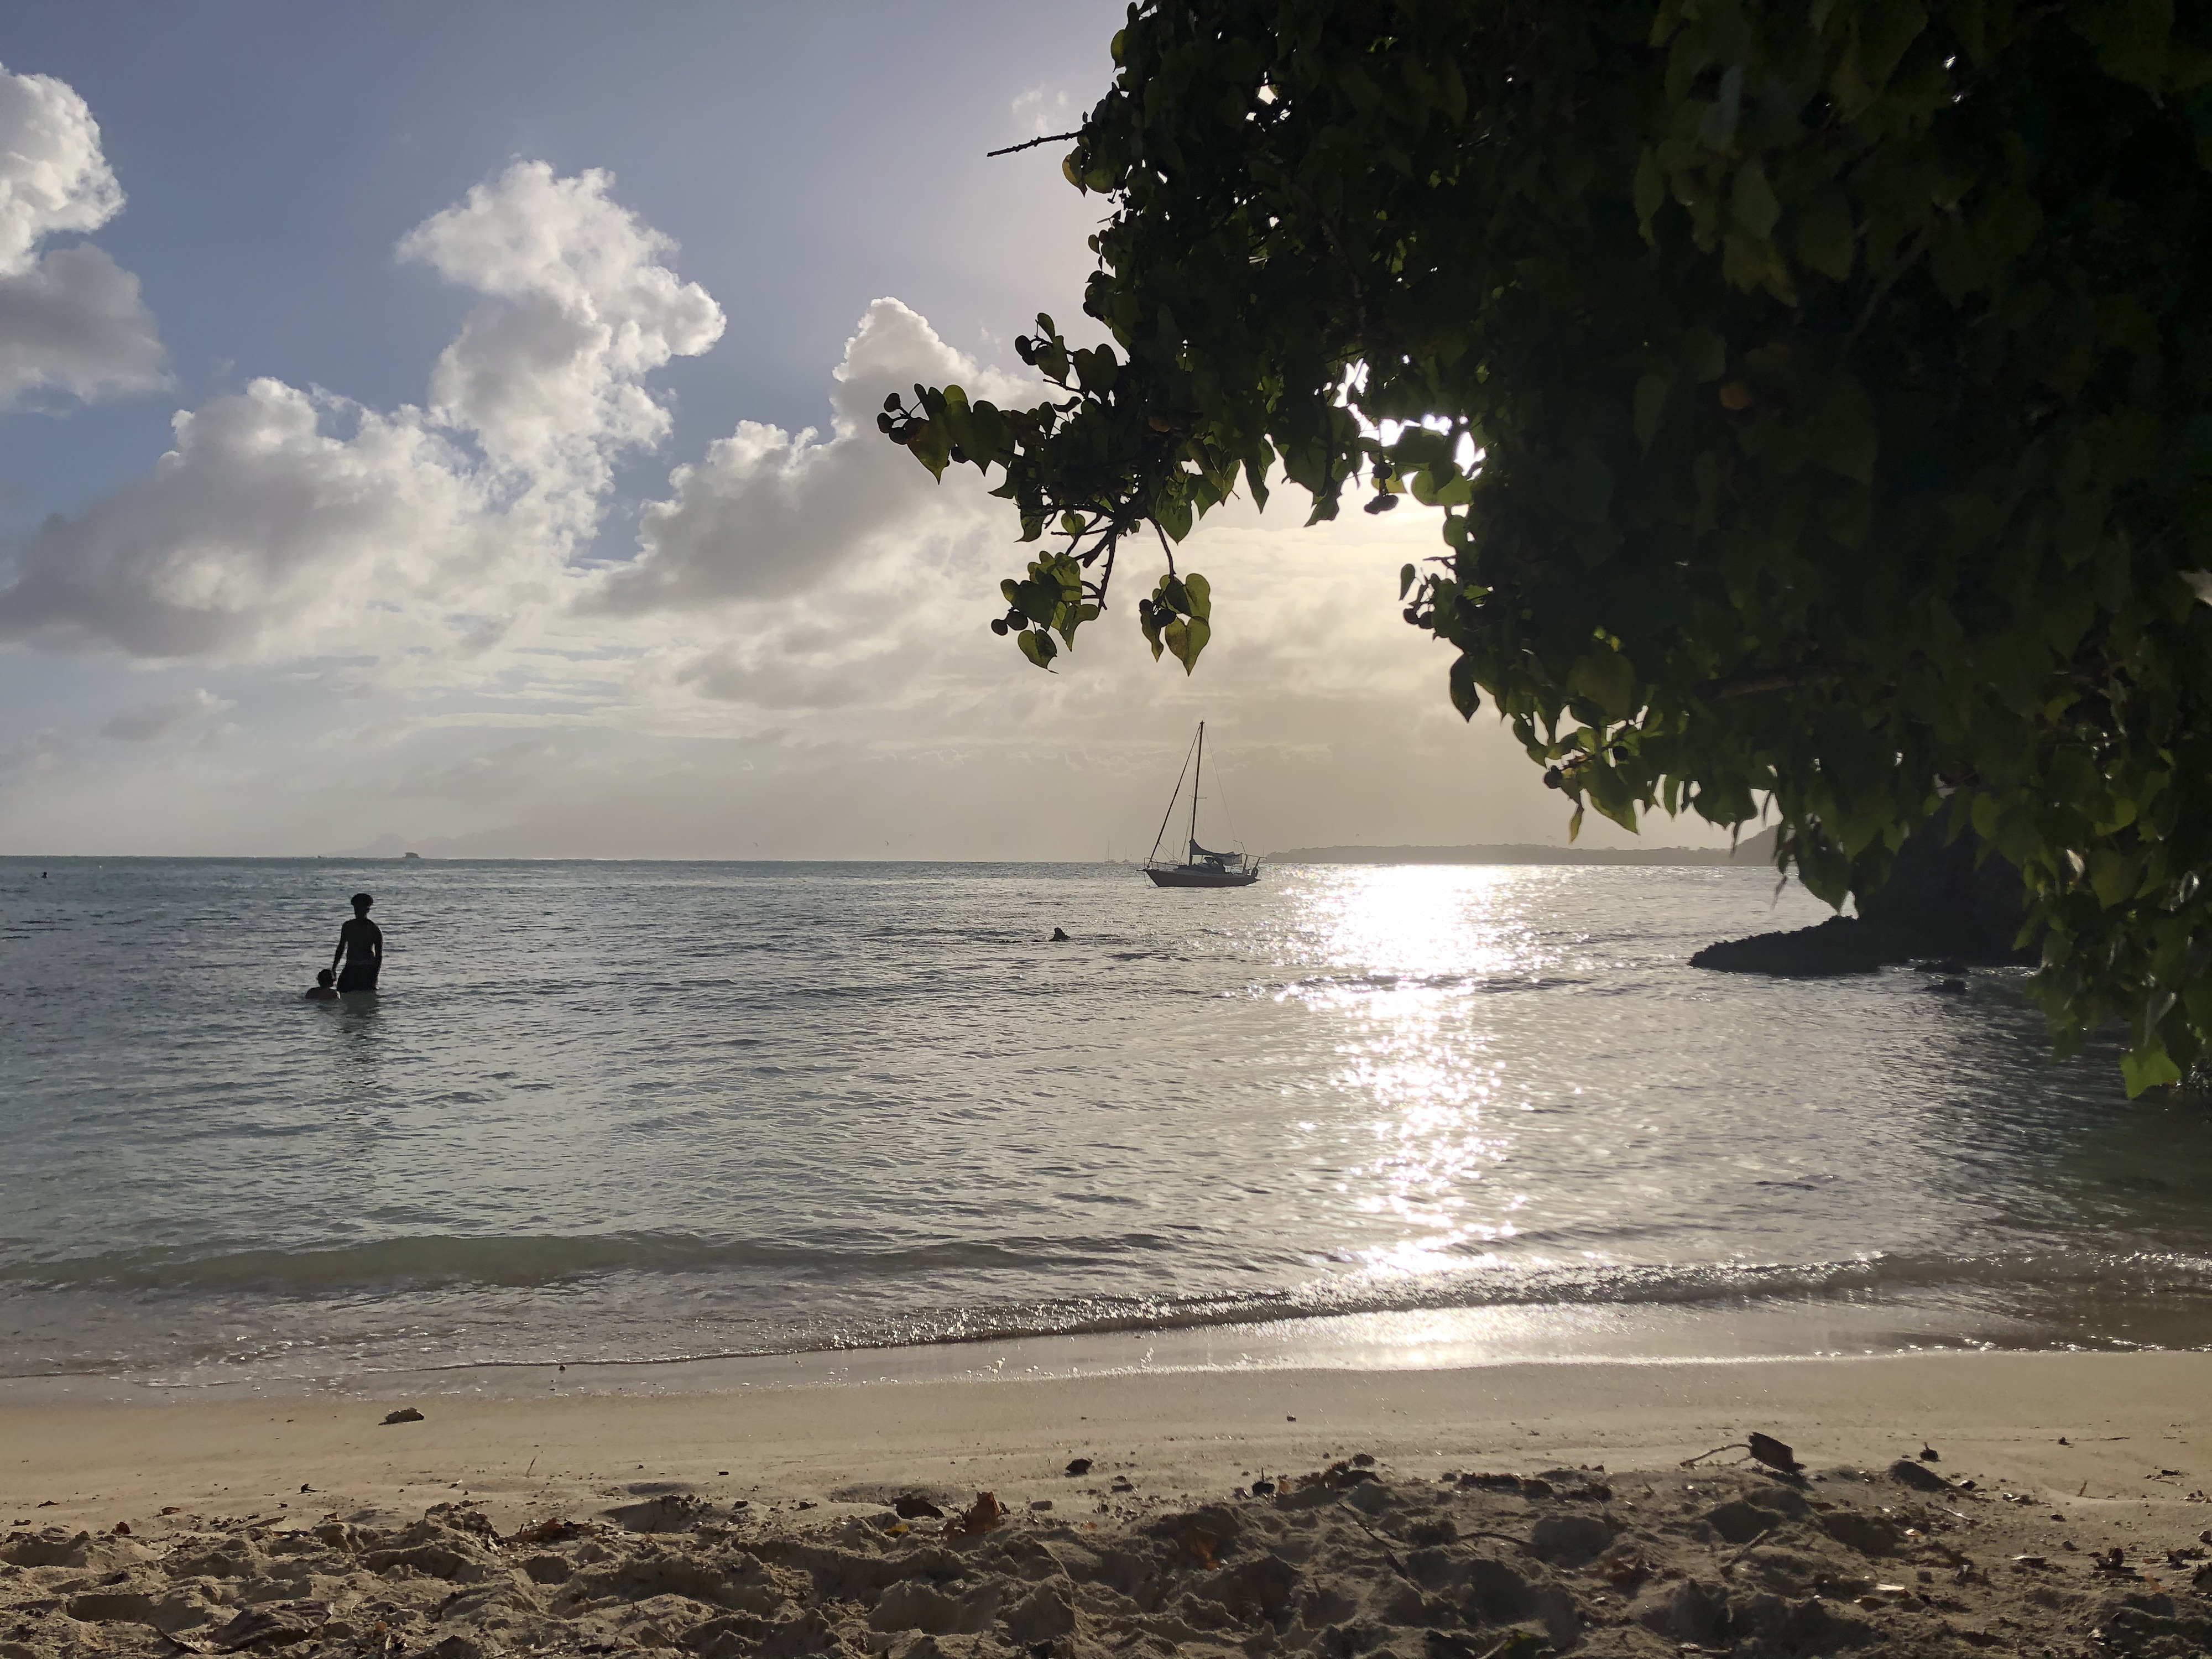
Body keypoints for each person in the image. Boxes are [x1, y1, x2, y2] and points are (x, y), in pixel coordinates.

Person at [332, 892, 383, 992]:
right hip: (350, 967)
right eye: (356, 909)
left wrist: (375, 975)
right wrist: (334, 968)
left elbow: (379, 955)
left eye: (361, 909)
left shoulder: (373, 929)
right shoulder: (348, 926)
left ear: (367, 910)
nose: (357, 912)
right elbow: (341, 947)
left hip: (367, 969)